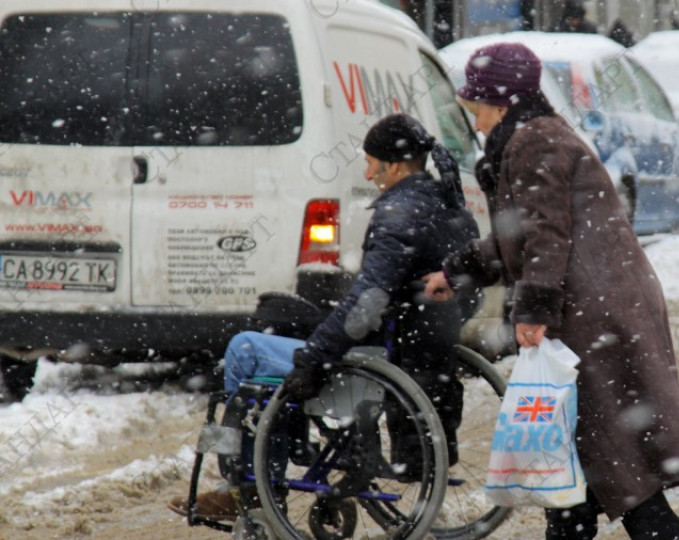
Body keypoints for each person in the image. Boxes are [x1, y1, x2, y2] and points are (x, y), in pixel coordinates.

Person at [422, 42, 679, 540]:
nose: (476, 123)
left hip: (595, 316)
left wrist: (533, 310)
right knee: (580, 468)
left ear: (501, 104)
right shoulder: (534, 137)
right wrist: (458, 270)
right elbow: (521, 233)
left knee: (617, 467)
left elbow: (546, 234)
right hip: (597, 308)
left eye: (478, 110)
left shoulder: (536, 142)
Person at [169, 113, 480, 520]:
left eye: (371, 163)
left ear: (396, 165)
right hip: (415, 349)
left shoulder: (399, 213)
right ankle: (280, 454)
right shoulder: (451, 208)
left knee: (244, 349)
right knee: (278, 315)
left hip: (380, 357)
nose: (368, 174)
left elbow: (367, 304)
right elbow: (467, 297)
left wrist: (314, 357)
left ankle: (248, 486)